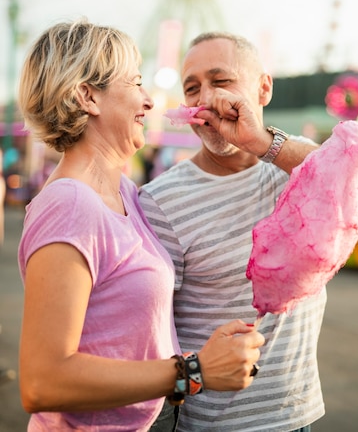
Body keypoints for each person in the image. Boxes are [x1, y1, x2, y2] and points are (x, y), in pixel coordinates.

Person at [17, 21, 264, 431]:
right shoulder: (69, 205)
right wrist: (192, 370)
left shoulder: (127, 194)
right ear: (87, 96)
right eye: (134, 82)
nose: (149, 101)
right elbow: (43, 381)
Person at [139, 31, 358, 432]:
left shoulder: (294, 159)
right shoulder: (160, 200)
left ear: (263, 88)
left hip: (297, 415)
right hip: (207, 424)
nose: (205, 99)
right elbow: (153, 329)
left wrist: (261, 143)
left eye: (221, 82)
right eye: (192, 88)